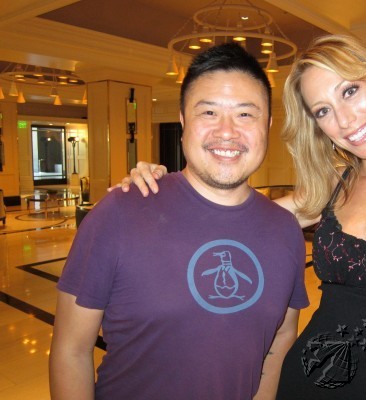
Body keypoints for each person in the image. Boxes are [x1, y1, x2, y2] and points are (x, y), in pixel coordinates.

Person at [121, 34, 366, 399]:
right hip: (301, 381)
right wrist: (165, 187)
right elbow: (233, 215)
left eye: (349, 91)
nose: (344, 120)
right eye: (323, 111)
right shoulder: (335, 187)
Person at [49, 43, 309, 400]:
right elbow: (71, 350)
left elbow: (281, 338)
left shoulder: (285, 230)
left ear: (267, 125)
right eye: (209, 112)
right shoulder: (120, 211)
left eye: (245, 114)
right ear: (184, 121)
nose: (227, 131)